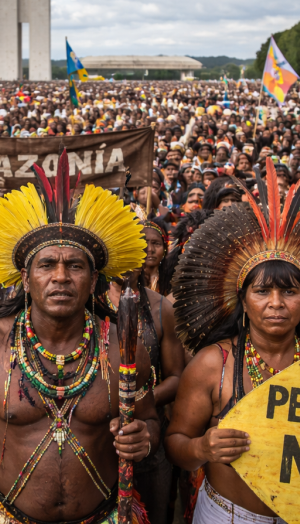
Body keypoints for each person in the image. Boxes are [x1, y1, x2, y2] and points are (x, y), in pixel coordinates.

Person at [0, 150, 158, 524]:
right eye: (47, 264)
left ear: (94, 279)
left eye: (75, 266)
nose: (61, 277)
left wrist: (143, 437)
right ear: (25, 277)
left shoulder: (124, 349)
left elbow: (150, 422)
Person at [165, 161, 300, 524]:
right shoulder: (214, 364)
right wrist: (201, 447)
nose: (276, 303)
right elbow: (177, 441)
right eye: (262, 291)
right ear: (243, 301)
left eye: (289, 291)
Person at [102, 214, 184, 524]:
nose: (127, 260)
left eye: (134, 251)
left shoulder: (163, 308)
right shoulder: (88, 305)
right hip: (97, 439)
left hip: (148, 436)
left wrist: (134, 404)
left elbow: (177, 376)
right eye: (120, 251)